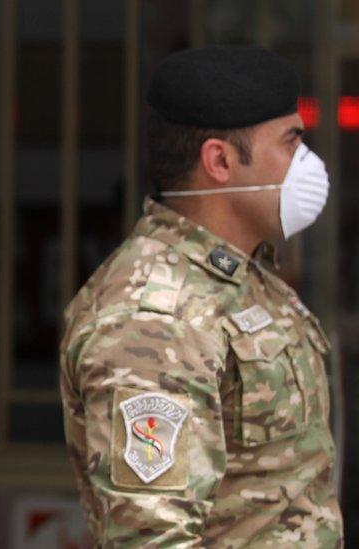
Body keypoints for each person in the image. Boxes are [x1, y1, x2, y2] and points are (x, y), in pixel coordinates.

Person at [60, 45, 342, 546]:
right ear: (220, 160)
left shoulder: (245, 279)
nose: (305, 161)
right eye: (291, 140)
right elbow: (152, 536)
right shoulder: (151, 317)